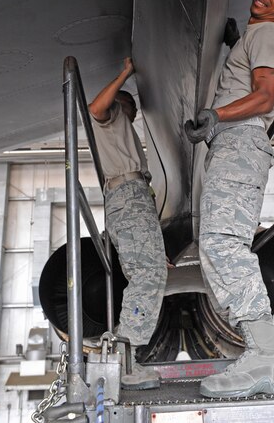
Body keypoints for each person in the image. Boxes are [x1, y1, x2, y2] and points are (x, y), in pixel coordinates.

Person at [185, 0, 274, 398]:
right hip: (231, 144)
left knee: (222, 244)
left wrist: (216, 117)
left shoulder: (270, 36)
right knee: (218, 244)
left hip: (239, 141)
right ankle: (264, 355)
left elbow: (265, 96)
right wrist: (236, 42)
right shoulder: (256, 36)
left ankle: (266, 357)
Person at [88, 57, 168, 390]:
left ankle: (125, 355)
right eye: (128, 105)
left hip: (134, 201)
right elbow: (96, 108)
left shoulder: (123, 132)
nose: (132, 112)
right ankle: (123, 357)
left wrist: (154, 245)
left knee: (151, 271)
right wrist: (124, 74)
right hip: (129, 197)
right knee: (148, 276)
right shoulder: (110, 119)